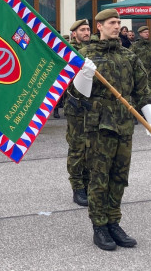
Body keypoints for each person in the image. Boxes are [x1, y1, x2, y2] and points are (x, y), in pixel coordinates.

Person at [71, 9, 151, 250]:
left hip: (124, 124)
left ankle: (114, 222)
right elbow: (74, 94)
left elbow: (142, 91)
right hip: (99, 125)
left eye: (119, 22)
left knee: (119, 177)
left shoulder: (128, 56)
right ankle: (99, 226)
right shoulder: (85, 54)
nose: (117, 26)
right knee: (99, 178)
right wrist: (85, 75)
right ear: (98, 26)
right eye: (112, 22)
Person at [63, 19, 93, 206]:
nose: (86, 32)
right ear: (74, 33)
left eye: (88, 29)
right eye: (82, 30)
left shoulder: (93, 50)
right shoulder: (68, 52)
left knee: (91, 147)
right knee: (77, 147)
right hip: (76, 107)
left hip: (93, 107)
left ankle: (89, 183)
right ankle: (77, 187)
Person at [130, 25, 151, 90]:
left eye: (148, 32)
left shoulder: (150, 45)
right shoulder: (135, 45)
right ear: (140, 33)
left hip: (149, 73)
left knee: (149, 92)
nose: (147, 34)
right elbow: (130, 58)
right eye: (145, 32)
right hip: (139, 73)